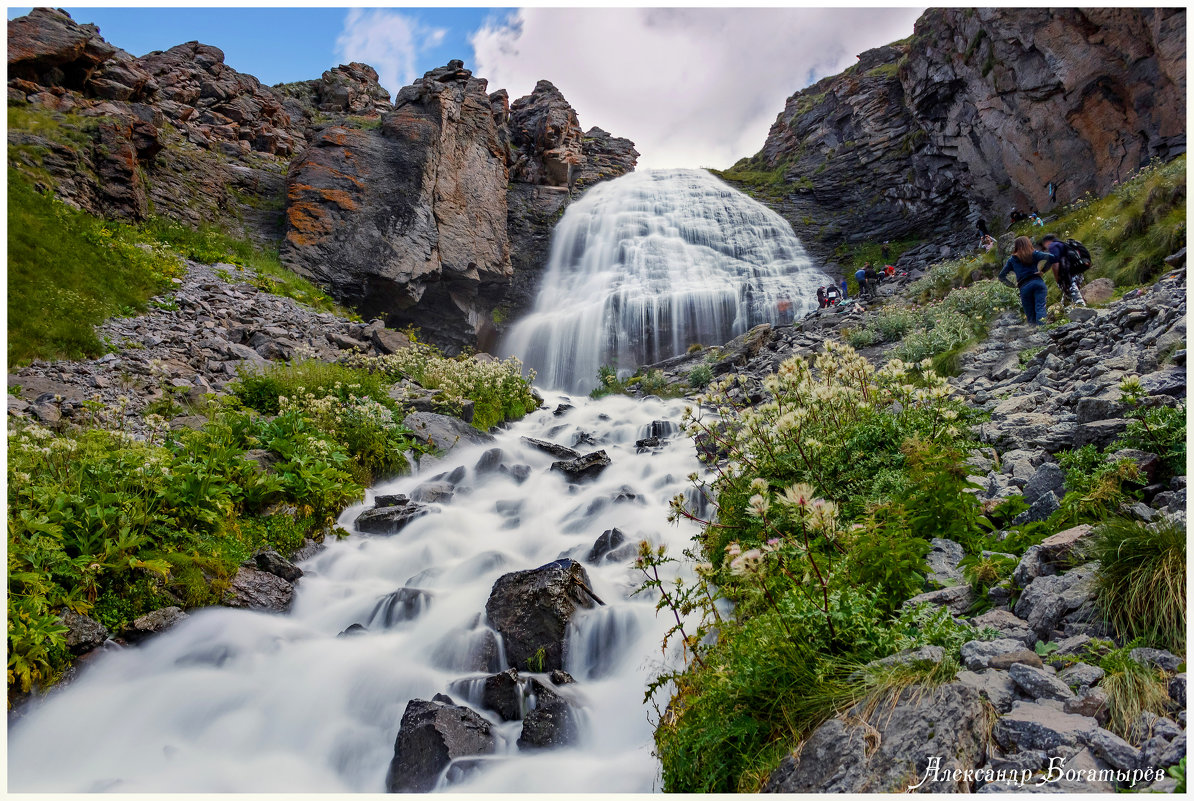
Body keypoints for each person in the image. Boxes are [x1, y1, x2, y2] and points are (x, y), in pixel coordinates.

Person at [999, 235, 1058, 326]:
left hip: (1024, 287)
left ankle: (1035, 335)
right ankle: (1043, 330)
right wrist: (1043, 271)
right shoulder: (1034, 254)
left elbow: (1001, 276)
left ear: (1016, 246)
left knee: (1030, 314)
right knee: (1040, 308)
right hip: (1038, 283)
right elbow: (1053, 257)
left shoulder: (1012, 260)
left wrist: (1013, 285)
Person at [1039, 233, 1085, 306]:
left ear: (1047, 242)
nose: (1045, 248)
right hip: (1077, 272)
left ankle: (1083, 309)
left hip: (1068, 275)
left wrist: (1057, 279)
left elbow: (1055, 263)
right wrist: (1043, 271)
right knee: (1068, 293)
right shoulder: (1062, 245)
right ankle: (1063, 309)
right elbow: (1050, 262)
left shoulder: (1053, 246)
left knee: (1077, 298)